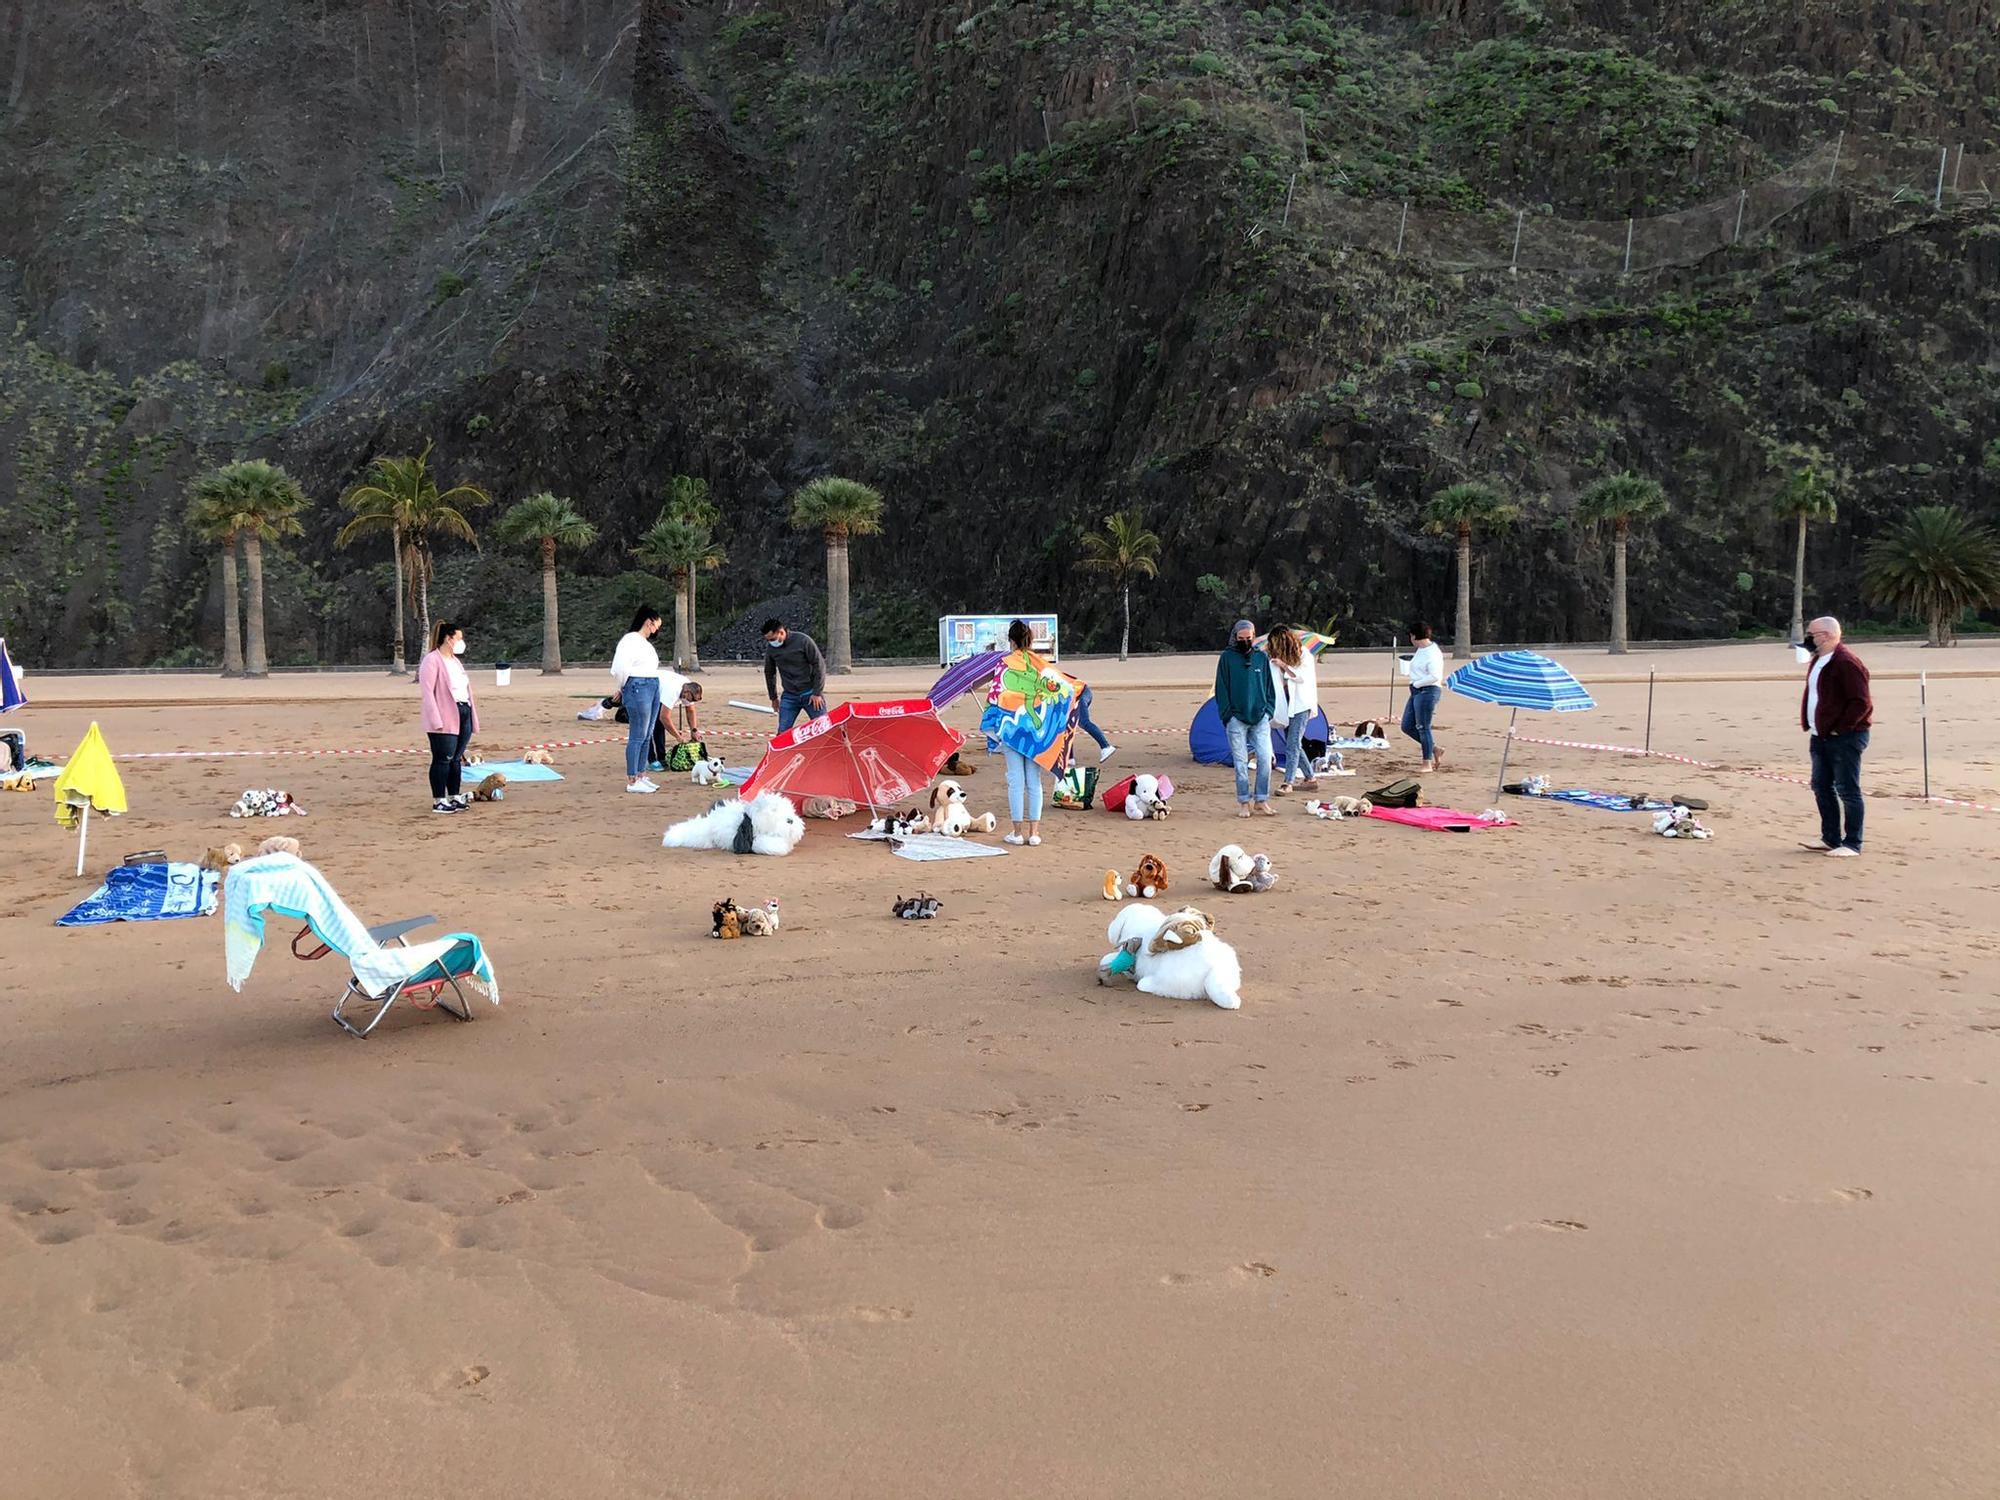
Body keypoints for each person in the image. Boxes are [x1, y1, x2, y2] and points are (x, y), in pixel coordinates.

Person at [983, 618, 1061, 845]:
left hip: (1010, 729)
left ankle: (1017, 833)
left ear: (1011, 640)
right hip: (1035, 730)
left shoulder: (1003, 663)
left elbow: (995, 695)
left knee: (1016, 781)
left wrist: (991, 722)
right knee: (1033, 781)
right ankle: (1034, 833)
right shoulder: (1041, 664)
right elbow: (1056, 688)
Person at [1799, 615, 1871, 857]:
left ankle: (1852, 843)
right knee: (1821, 786)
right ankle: (1830, 838)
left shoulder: (1847, 662)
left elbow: (1861, 703)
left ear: (1827, 635)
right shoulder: (1818, 659)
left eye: (1812, 634)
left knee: (1848, 789)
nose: (1808, 638)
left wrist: (1841, 728)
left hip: (1845, 737)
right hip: (1820, 736)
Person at [1214, 619, 1276, 818]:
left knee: (1265, 760)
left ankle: (1261, 799)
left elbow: (1269, 687)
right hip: (1236, 719)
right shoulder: (1227, 658)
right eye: (1241, 639)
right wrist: (1228, 715)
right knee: (1240, 764)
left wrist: (1268, 710)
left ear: (1254, 637)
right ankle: (1243, 801)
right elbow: (1221, 688)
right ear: (1235, 637)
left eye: (1248, 638)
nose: (1245, 642)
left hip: (1260, 717)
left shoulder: (1261, 658)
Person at [418, 620, 476, 814]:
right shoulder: (432, 660)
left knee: (456, 759)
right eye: (459, 638)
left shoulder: (455, 660)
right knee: (443, 758)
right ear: (448, 638)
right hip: (444, 716)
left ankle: (453, 795)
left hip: (463, 712)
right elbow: (428, 692)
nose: (462, 642)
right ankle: (439, 800)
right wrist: (436, 720)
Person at [611, 605, 668, 793]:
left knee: (647, 732)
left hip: (652, 684)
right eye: (656, 626)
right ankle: (632, 779)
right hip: (638, 686)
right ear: (649, 622)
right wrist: (622, 687)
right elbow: (620, 668)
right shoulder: (630, 640)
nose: (656, 630)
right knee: (638, 733)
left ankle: (641, 774)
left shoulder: (645, 644)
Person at [1266, 625, 1320, 794]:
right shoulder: (1276, 659)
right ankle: (1310, 778)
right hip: (1287, 704)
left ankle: (1288, 782)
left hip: (1301, 704)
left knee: (1292, 744)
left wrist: (1283, 665)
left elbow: (1301, 677)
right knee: (1293, 742)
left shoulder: (1304, 654)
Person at [762, 618, 830, 732]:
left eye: (773, 639)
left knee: (824, 729)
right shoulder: (771, 649)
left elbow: (819, 665)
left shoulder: (803, 641)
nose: (771, 642)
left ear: (781, 632)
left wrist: (817, 693)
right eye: (768, 640)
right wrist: (773, 697)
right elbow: (769, 673)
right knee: (783, 732)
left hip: (811, 694)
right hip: (789, 696)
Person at [1398, 621, 1445, 771]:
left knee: (1423, 727)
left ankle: (1427, 763)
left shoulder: (1433, 652)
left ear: (1414, 636)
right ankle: (1434, 748)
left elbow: (1434, 676)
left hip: (1427, 691)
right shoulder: (1421, 650)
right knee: (1407, 725)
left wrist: (1418, 683)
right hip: (1416, 690)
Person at [1074, 684, 1115, 765]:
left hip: (1080, 693)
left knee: (1084, 722)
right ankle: (1070, 758)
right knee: (1066, 726)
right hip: (1078, 693)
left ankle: (1106, 746)